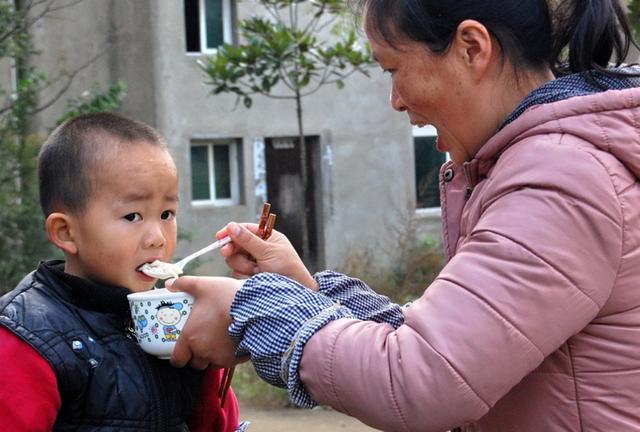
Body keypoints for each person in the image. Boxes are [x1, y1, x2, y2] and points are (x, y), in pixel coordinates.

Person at [167, 0, 640, 430]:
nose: (396, 100)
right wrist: (300, 293)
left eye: (393, 68)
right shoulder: (543, 168)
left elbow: (423, 380)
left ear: (471, 48)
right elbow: (457, 350)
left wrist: (252, 309)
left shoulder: (558, 180)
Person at [0, 112, 245, 431]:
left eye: (167, 213)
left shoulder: (178, 321)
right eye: (132, 216)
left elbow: (216, 424)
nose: (157, 237)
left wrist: (215, 360)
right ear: (66, 232)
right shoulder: (25, 338)